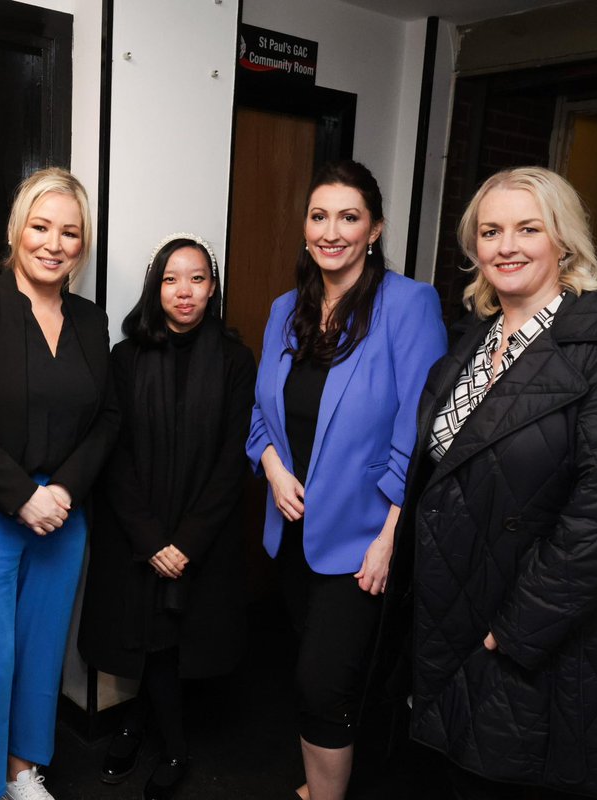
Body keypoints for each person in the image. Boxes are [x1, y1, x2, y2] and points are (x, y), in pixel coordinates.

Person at [398, 166, 597, 799]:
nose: (506, 246)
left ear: (564, 240)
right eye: (490, 231)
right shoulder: (475, 336)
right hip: (458, 609)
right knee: (461, 771)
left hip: (543, 631)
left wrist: (514, 631)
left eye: (528, 228)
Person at [246, 160, 446, 800]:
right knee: (315, 674)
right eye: (319, 215)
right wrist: (273, 468)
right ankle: (317, 788)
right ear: (305, 228)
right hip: (296, 532)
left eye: (349, 217)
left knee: (323, 682)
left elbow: (422, 430)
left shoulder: (409, 305)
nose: (332, 231)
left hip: (363, 540)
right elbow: (262, 413)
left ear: (375, 229)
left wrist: (391, 533)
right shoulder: (286, 308)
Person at [0, 167, 120, 800]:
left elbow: (110, 416)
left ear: (83, 245)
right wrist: (21, 495)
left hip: (62, 516)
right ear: (17, 231)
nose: (54, 243)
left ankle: (21, 772)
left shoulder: (92, 321)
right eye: (41, 227)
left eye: (70, 233)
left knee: (42, 654)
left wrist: (63, 490)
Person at [78, 233, 256, 799]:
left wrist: (188, 541)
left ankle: (157, 736)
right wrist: (153, 539)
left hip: (202, 532)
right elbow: (114, 450)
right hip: (137, 530)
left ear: (212, 289)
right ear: (156, 287)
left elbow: (235, 456)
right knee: (145, 637)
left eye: (198, 278)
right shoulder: (124, 358)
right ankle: (153, 731)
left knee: (178, 639)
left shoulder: (234, 359)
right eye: (172, 279)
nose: (185, 291)